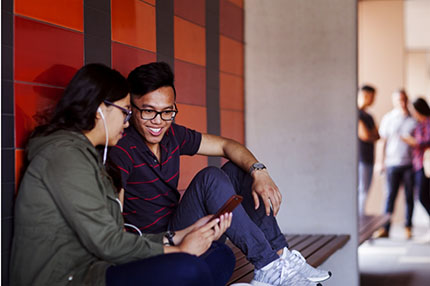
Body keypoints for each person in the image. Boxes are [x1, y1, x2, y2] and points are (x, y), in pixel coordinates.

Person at [10, 63, 235, 286]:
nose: (127, 123)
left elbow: (111, 238)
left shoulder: (87, 155)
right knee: (189, 268)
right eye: (125, 111)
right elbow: (108, 242)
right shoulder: (64, 157)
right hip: (71, 278)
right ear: (100, 110)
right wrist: (178, 249)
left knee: (219, 256)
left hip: (98, 268)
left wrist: (181, 234)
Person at [109, 62, 331, 286]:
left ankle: (281, 256)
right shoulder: (122, 149)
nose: (158, 121)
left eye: (167, 112)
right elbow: (115, 232)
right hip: (159, 244)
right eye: (148, 111)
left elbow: (227, 146)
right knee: (210, 178)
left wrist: (259, 171)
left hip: (186, 226)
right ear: (131, 108)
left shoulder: (172, 135)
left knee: (239, 169)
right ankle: (267, 264)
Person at [374, 89, 416, 239]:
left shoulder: (413, 119)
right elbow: (382, 142)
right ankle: (385, 228)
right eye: (399, 100)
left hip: (410, 164)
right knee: (390, 196)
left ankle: (408, 227)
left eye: (404, 99)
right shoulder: (388, 119)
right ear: (394, 101)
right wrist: (379, 162)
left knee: (409, 197)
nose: (402, 103)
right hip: (392, 163)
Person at [401, 97, 430, 220]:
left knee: (423, 196)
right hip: (418, 163)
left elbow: (427, 140)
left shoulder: (428, 122)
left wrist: (413, 142)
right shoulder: (419, 124)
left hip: (426, 163)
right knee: (422, 195)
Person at [357, 85, 380, 215]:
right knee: (362, 191)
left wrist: (371, 134)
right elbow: (365, 135)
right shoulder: (356, 113)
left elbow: (377, 135)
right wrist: (371, 134)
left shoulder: (369, 116)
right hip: (360, 159)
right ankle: (358, 223)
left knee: (365, 191)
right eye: (371, 96)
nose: (373, 99)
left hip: (369, 158)